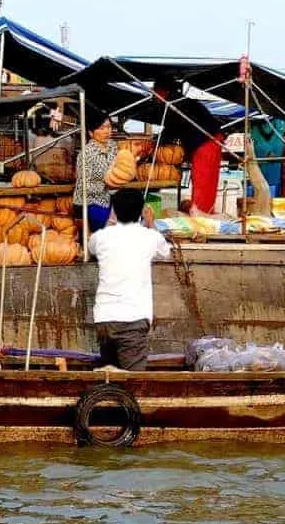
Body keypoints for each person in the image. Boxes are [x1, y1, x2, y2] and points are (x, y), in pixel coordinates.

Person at [87, 189, 172, 371]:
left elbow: (91, 247)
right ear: (141, 210)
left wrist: (111, 221)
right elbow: (166, 252)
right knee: (132, 383)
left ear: (114, 211)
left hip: (104, 320)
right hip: (132, 320)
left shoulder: (101, 237)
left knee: (110, 379)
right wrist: (150, 223)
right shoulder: (150, 237)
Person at [153, 75, 224, 216]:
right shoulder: (182, 101)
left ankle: (200, 216)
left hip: (206, 142)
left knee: (202, 181)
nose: (154, 96)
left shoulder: (175, 104)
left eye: (155, 92)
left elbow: (170, 129)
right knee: (207, 181)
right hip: (212, 139)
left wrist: (155, 144)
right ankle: (204, 212)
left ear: (162, 91)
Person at [72, 105, 118, 233]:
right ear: (91, 132)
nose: (107, 131)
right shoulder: (86, 153)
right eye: (101, 128)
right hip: (92, 203)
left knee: (133, 218)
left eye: (109, 127)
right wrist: (107, 185)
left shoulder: (114, 147)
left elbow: (120, 170)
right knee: (108, 225)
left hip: (113, 199)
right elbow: (83, 186)